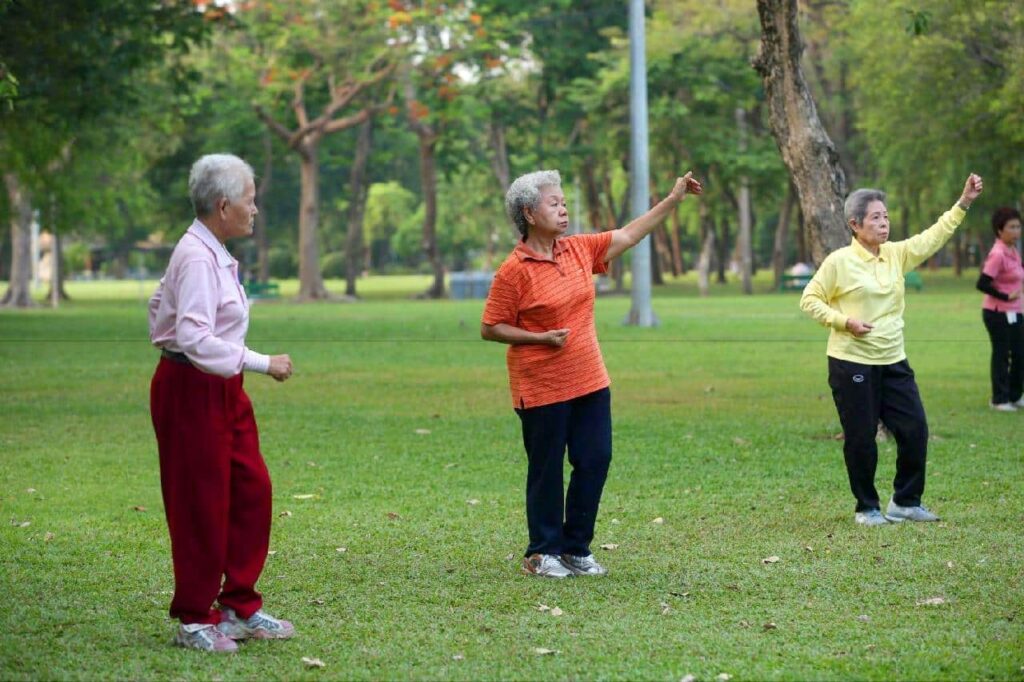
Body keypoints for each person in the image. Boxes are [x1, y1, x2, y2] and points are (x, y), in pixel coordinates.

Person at [481, 169, 702, 577]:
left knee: (595, 458)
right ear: (529, 213)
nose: (564, 210)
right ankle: (541, 552)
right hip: (541, 386)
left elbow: (630, 235)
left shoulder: (578, 249)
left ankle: (575, 548)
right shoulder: (514, 270)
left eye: (564, 203)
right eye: (554, 204)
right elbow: (490, 327)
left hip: (590, 380)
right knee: (546, 469)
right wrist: (542, 338)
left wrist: (673, 200)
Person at [149, 153, 295, 652]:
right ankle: (195, 617)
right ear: (222, 205)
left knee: (251, 490)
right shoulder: (194, 255)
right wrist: (262, 361)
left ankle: (238, 606)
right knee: (200, 503)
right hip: (192, 388)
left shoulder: (211, 251)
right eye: (250, 202)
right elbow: (192, 336)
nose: (255, 211)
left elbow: (159, 305)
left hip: (224, 388)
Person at [800, 173, 983, 526]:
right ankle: (866, 507)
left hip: (894, 360)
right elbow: (809, 299)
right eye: (875, 218)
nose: (884, 224)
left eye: (885, 216)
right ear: (855, 224)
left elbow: (934, 236)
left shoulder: (896, 255)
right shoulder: (839, 261)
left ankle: (905, 501)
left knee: (915, 429)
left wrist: (964, 203)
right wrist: (844, 322)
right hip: (851, 362)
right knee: (861, 437)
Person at [976, 207, 1024, 411]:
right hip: (997, 313)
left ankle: (1015, 395)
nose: (1016, 231)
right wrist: (1006, 295)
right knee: (1002, 354)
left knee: (1020, 353)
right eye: (1011, 227)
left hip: (1016, 312)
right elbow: (982, 283)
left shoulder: (1013, 250)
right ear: (999, 230)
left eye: (1018, 226)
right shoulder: (997, 254)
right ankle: (1000, 399)